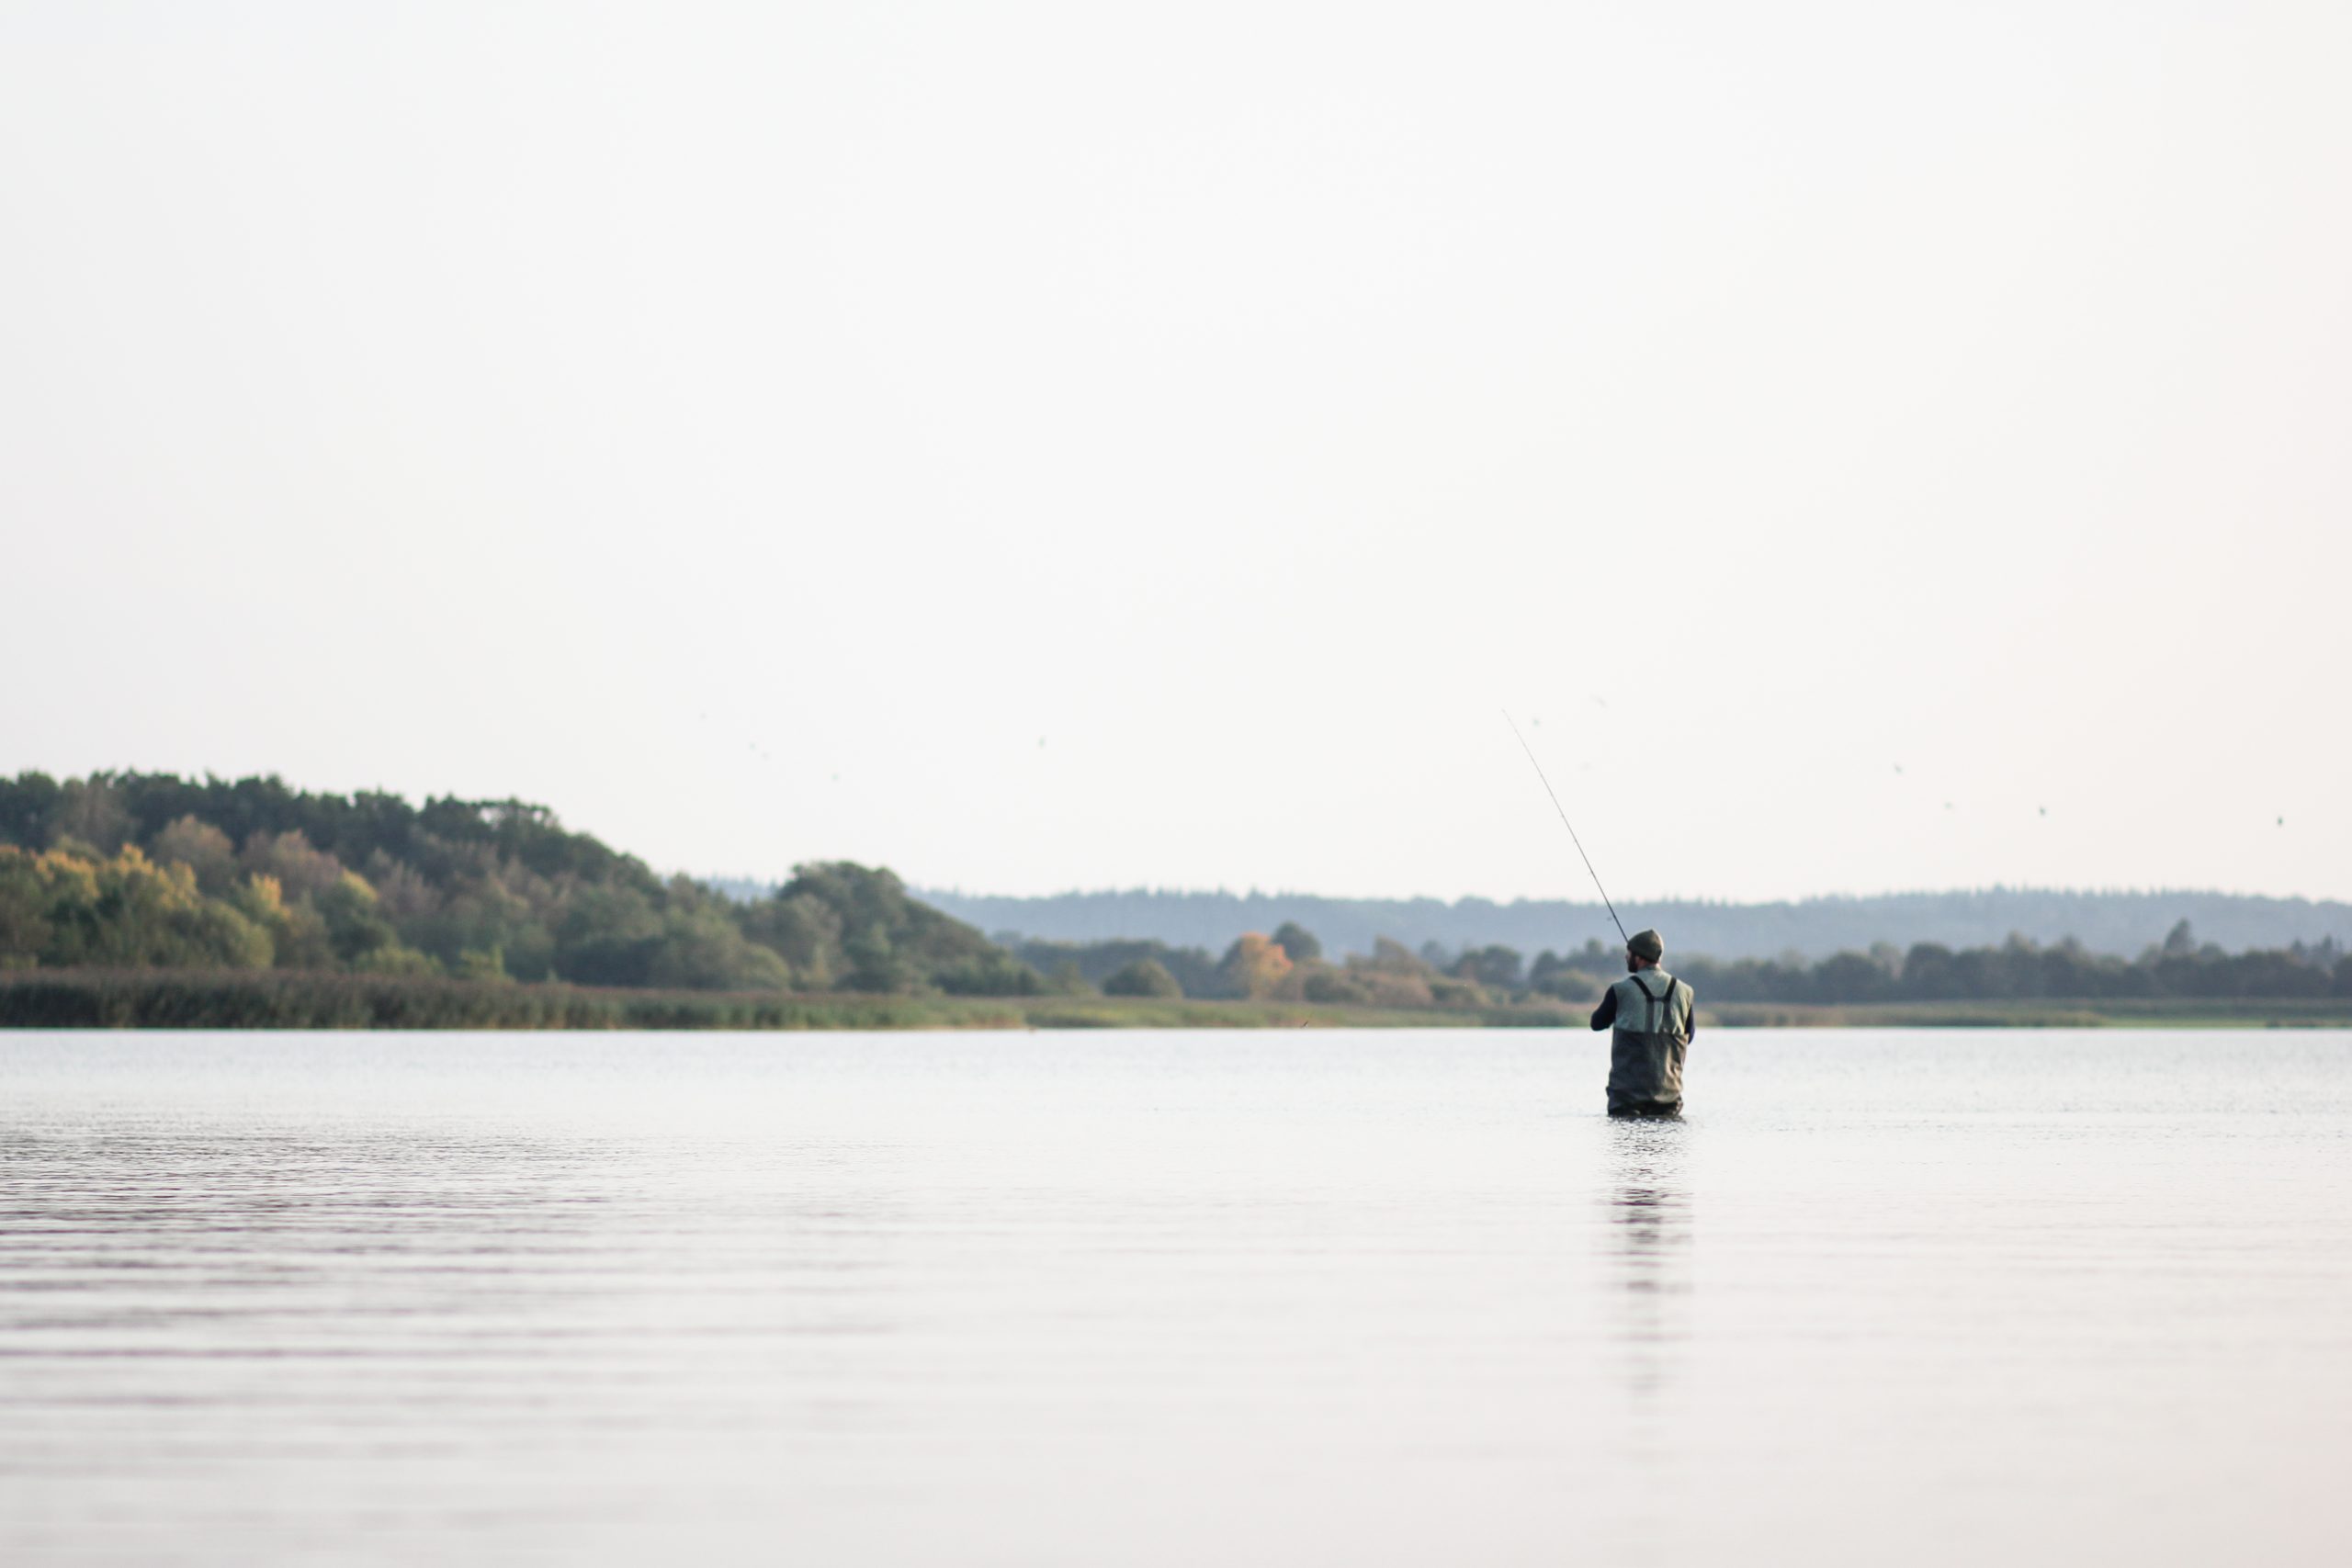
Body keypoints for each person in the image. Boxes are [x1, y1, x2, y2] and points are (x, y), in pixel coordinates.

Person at [1589, 928, 1694, 1117]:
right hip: (1669, 1100)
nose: (1626, 957)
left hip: (1625, 1100)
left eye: (1628, 953)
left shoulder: (1620, 990)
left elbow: (1596, 1023)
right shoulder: (1685, 992)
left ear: (1639, 957)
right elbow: (1690, 1036)